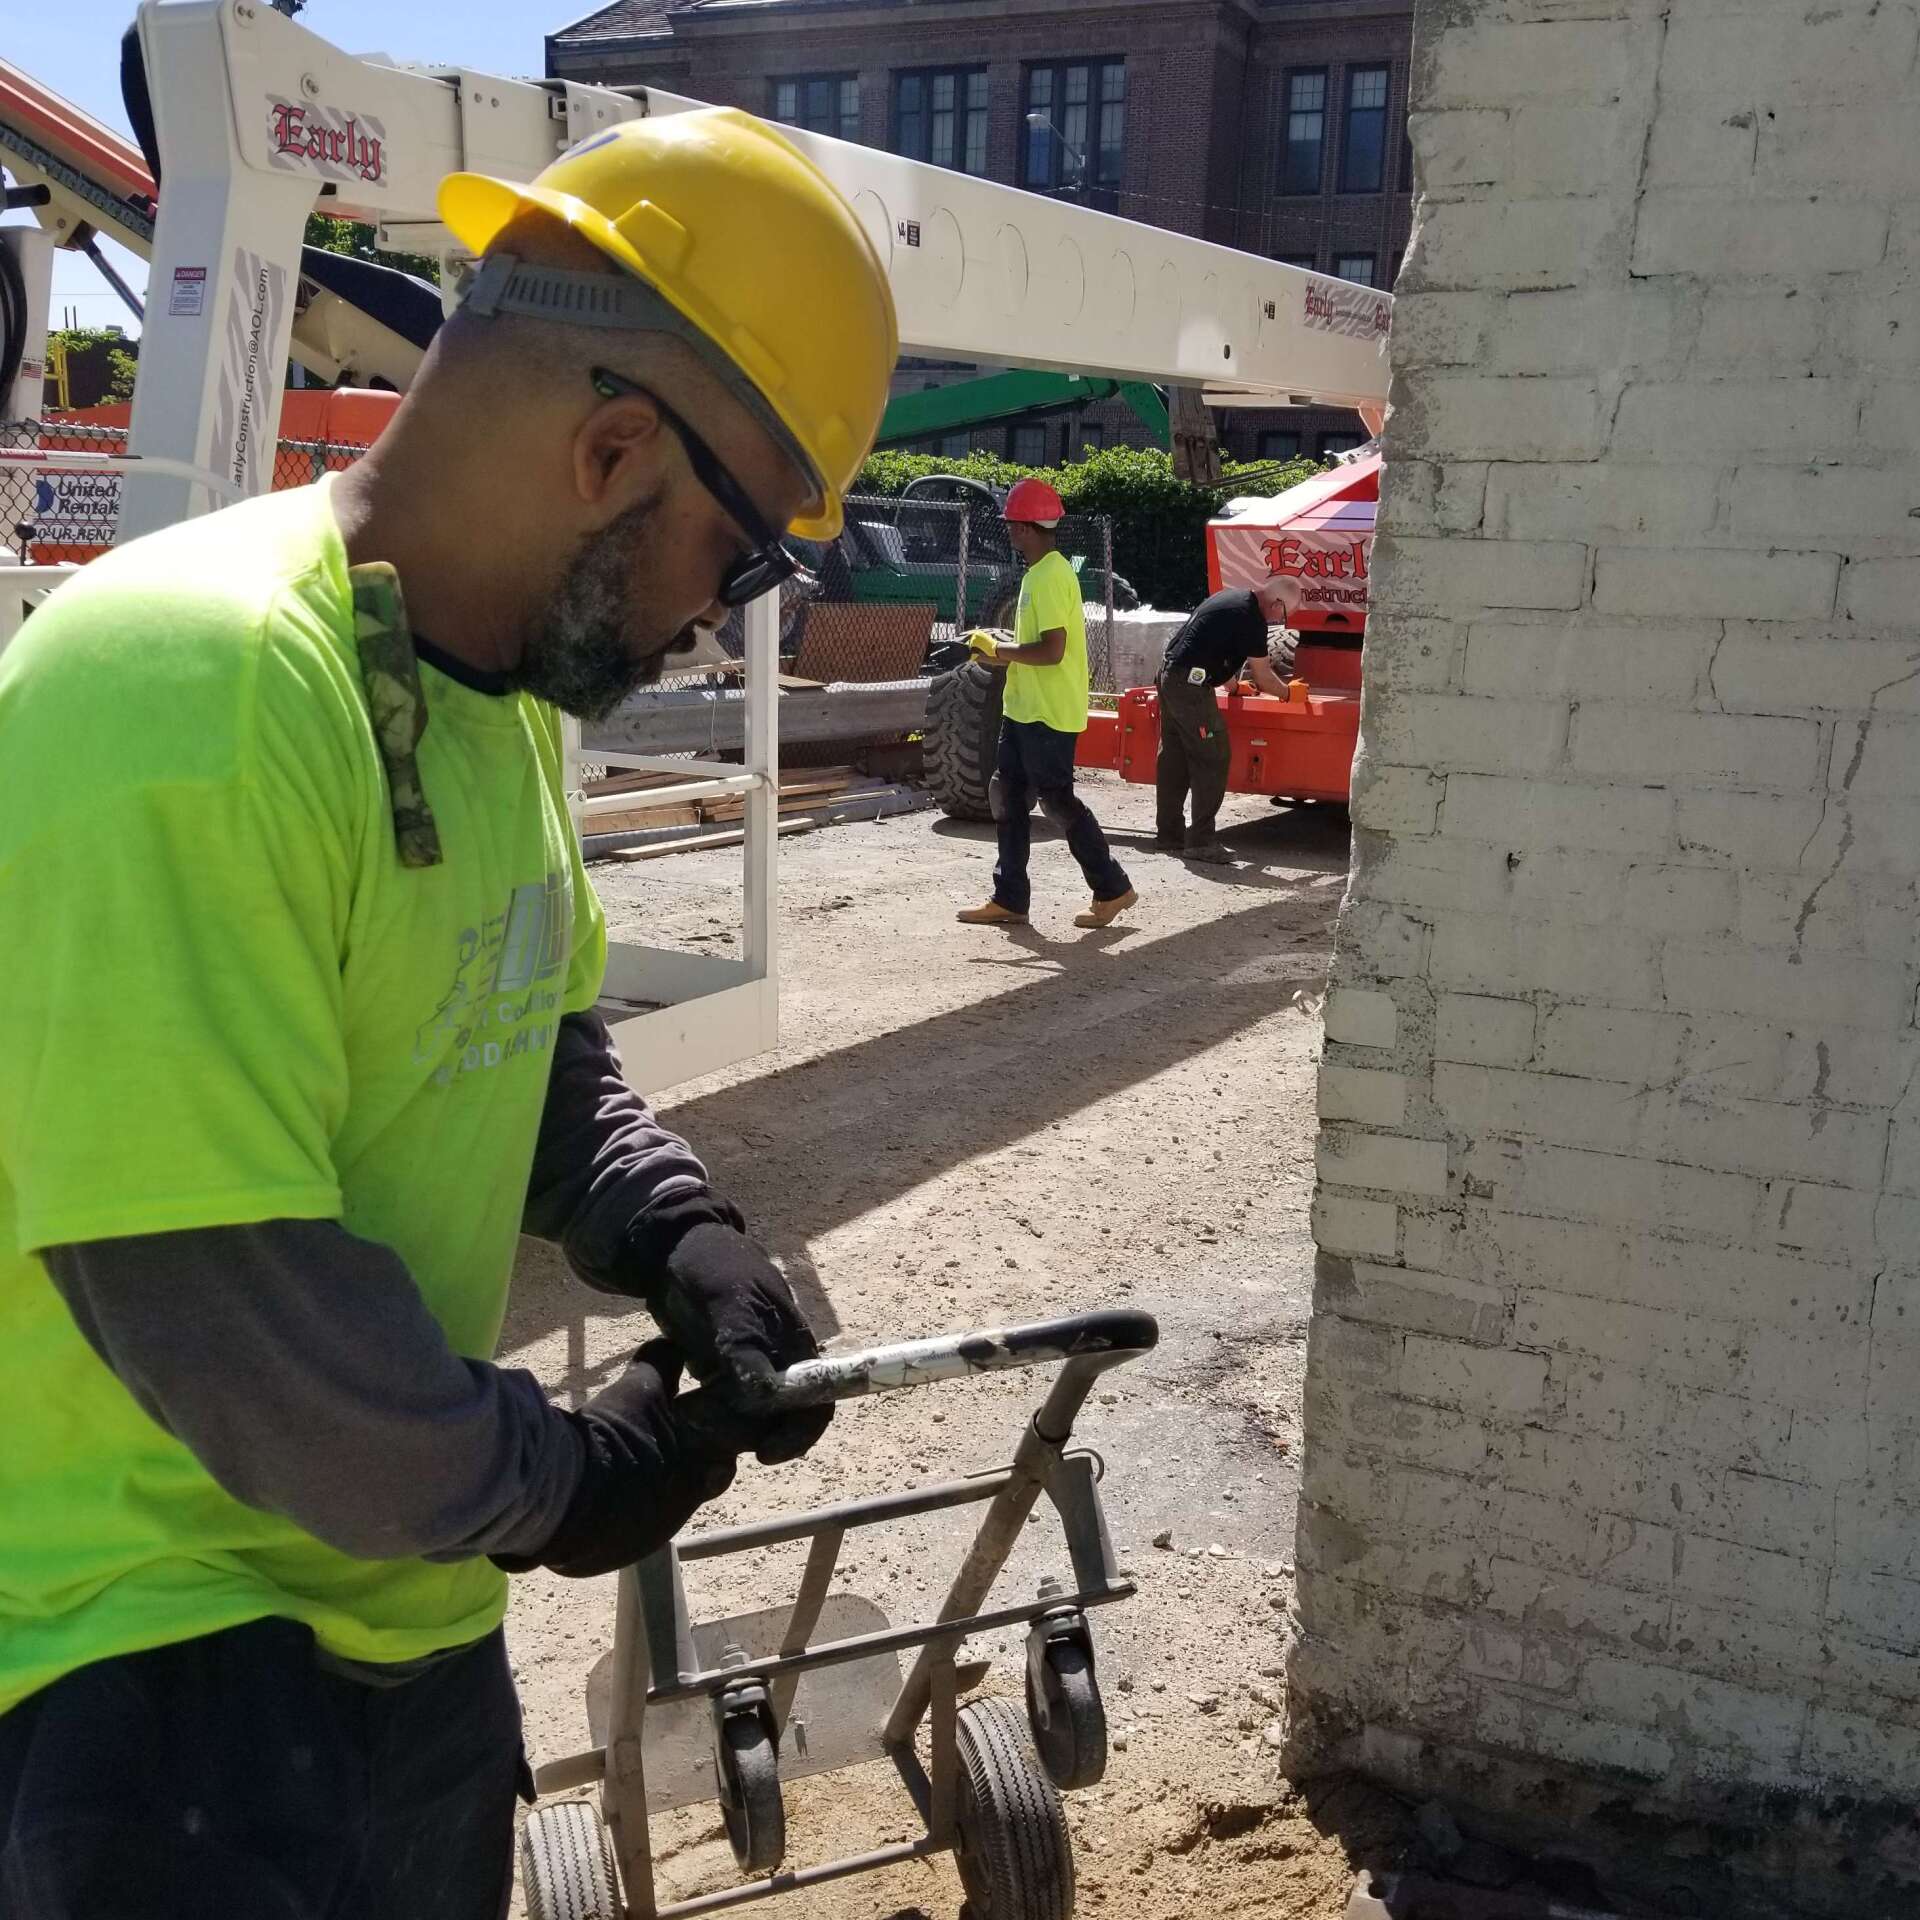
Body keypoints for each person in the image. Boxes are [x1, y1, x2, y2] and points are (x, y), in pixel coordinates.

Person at [0, 107, 896, 1920]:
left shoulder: (485, 708)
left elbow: (534, 1048)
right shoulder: (200, 684)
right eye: (738, 564)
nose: (716, 629)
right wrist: (568, 1478)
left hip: (402, 1624)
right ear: (613, 446)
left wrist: (680, 1228)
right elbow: (209, 1287)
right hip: (160, 1669)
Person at [957, 479, 1138, 931]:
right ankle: (1010, 899)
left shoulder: (1051, 576)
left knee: (1056, 801)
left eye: (1013, 527)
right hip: (1025, 709)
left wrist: (998, 652)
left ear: (1024, 529)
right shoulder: (1042, 573)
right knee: (1008, 797)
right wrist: (1003, 645)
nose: (1010, 534)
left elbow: (1052, 651)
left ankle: (1112, 888)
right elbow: (1040, 644)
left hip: (1048, 713)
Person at [1155, 584, 1292, 863]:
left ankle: (1170, 834)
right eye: (1284, 612)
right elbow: (1265, 677)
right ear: (1277, 602)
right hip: (1190, 687)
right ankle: (1201, 842)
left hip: (1171, 675)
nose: (1280, 619)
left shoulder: (1231, 599)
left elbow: (1206, 646)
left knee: (1174, 756)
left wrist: (1233, 685)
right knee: (1213, 755)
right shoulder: (1252, 618)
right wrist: (1289, 693)